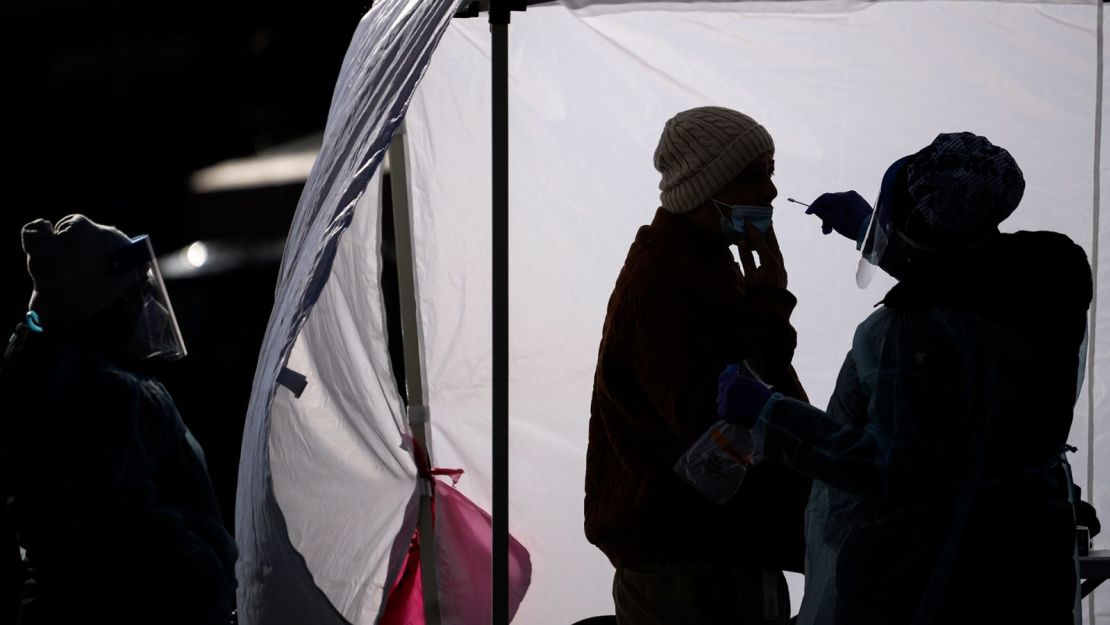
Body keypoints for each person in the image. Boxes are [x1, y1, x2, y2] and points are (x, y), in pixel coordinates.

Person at [718, 132, 1092, 624]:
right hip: (1029, 558)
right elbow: (965, 278)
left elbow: (888, 467)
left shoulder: (906, 337)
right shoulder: (1048, 280)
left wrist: (769, 414)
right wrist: (873, 233)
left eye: (892, 218)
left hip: (939, 580)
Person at [584, 106, 813, 625]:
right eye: (753, 177)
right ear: (705, 187)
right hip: (693, 573)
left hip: (712, 556)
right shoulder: (671, 281)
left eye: (771, 173)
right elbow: (719, 428)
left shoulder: (701, 261)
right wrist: (770, 305)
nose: (772, 193)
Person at [0, 215, 238, 625]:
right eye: (133, 292)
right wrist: (202, 580)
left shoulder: (60, 380)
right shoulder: (103, 394)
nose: (142, 303)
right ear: (101, 303)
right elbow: (133, 530)